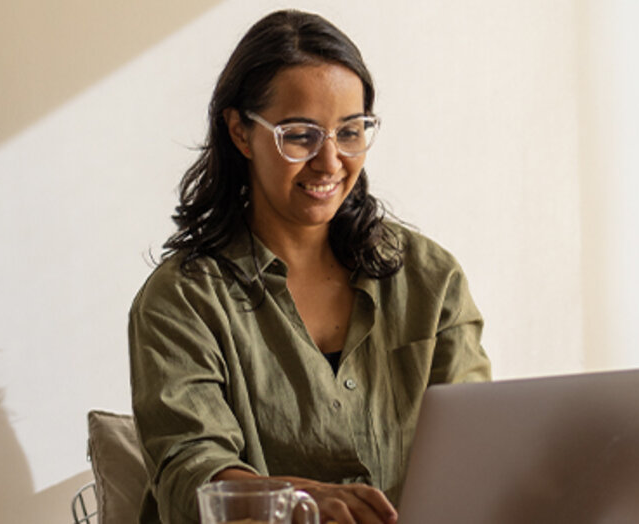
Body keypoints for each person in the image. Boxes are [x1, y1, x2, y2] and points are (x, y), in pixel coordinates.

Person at [127, 10, 491, 524]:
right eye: (300, 135)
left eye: (350, 132)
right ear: (240, 132)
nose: (330, 161)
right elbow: (191, 469)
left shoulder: (430, 279)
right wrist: (295, 501)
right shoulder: (183, 299)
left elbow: (478, 446)